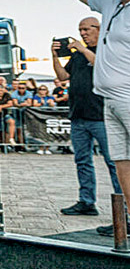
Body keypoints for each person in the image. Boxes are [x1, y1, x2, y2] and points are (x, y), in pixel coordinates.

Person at [52, 18, 123, 221]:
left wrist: (82, 49)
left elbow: (100, 65)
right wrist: (55, 56)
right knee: (82, 161)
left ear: (98, 29)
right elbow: (63, 76)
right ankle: (86, 201)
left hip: (101, 116)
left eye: (86, 29)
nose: (82, 33)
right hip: (78, 116)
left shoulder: (107, 49)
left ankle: (124, 207)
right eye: (80, 30)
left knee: (114, 162)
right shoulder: (77, 56)